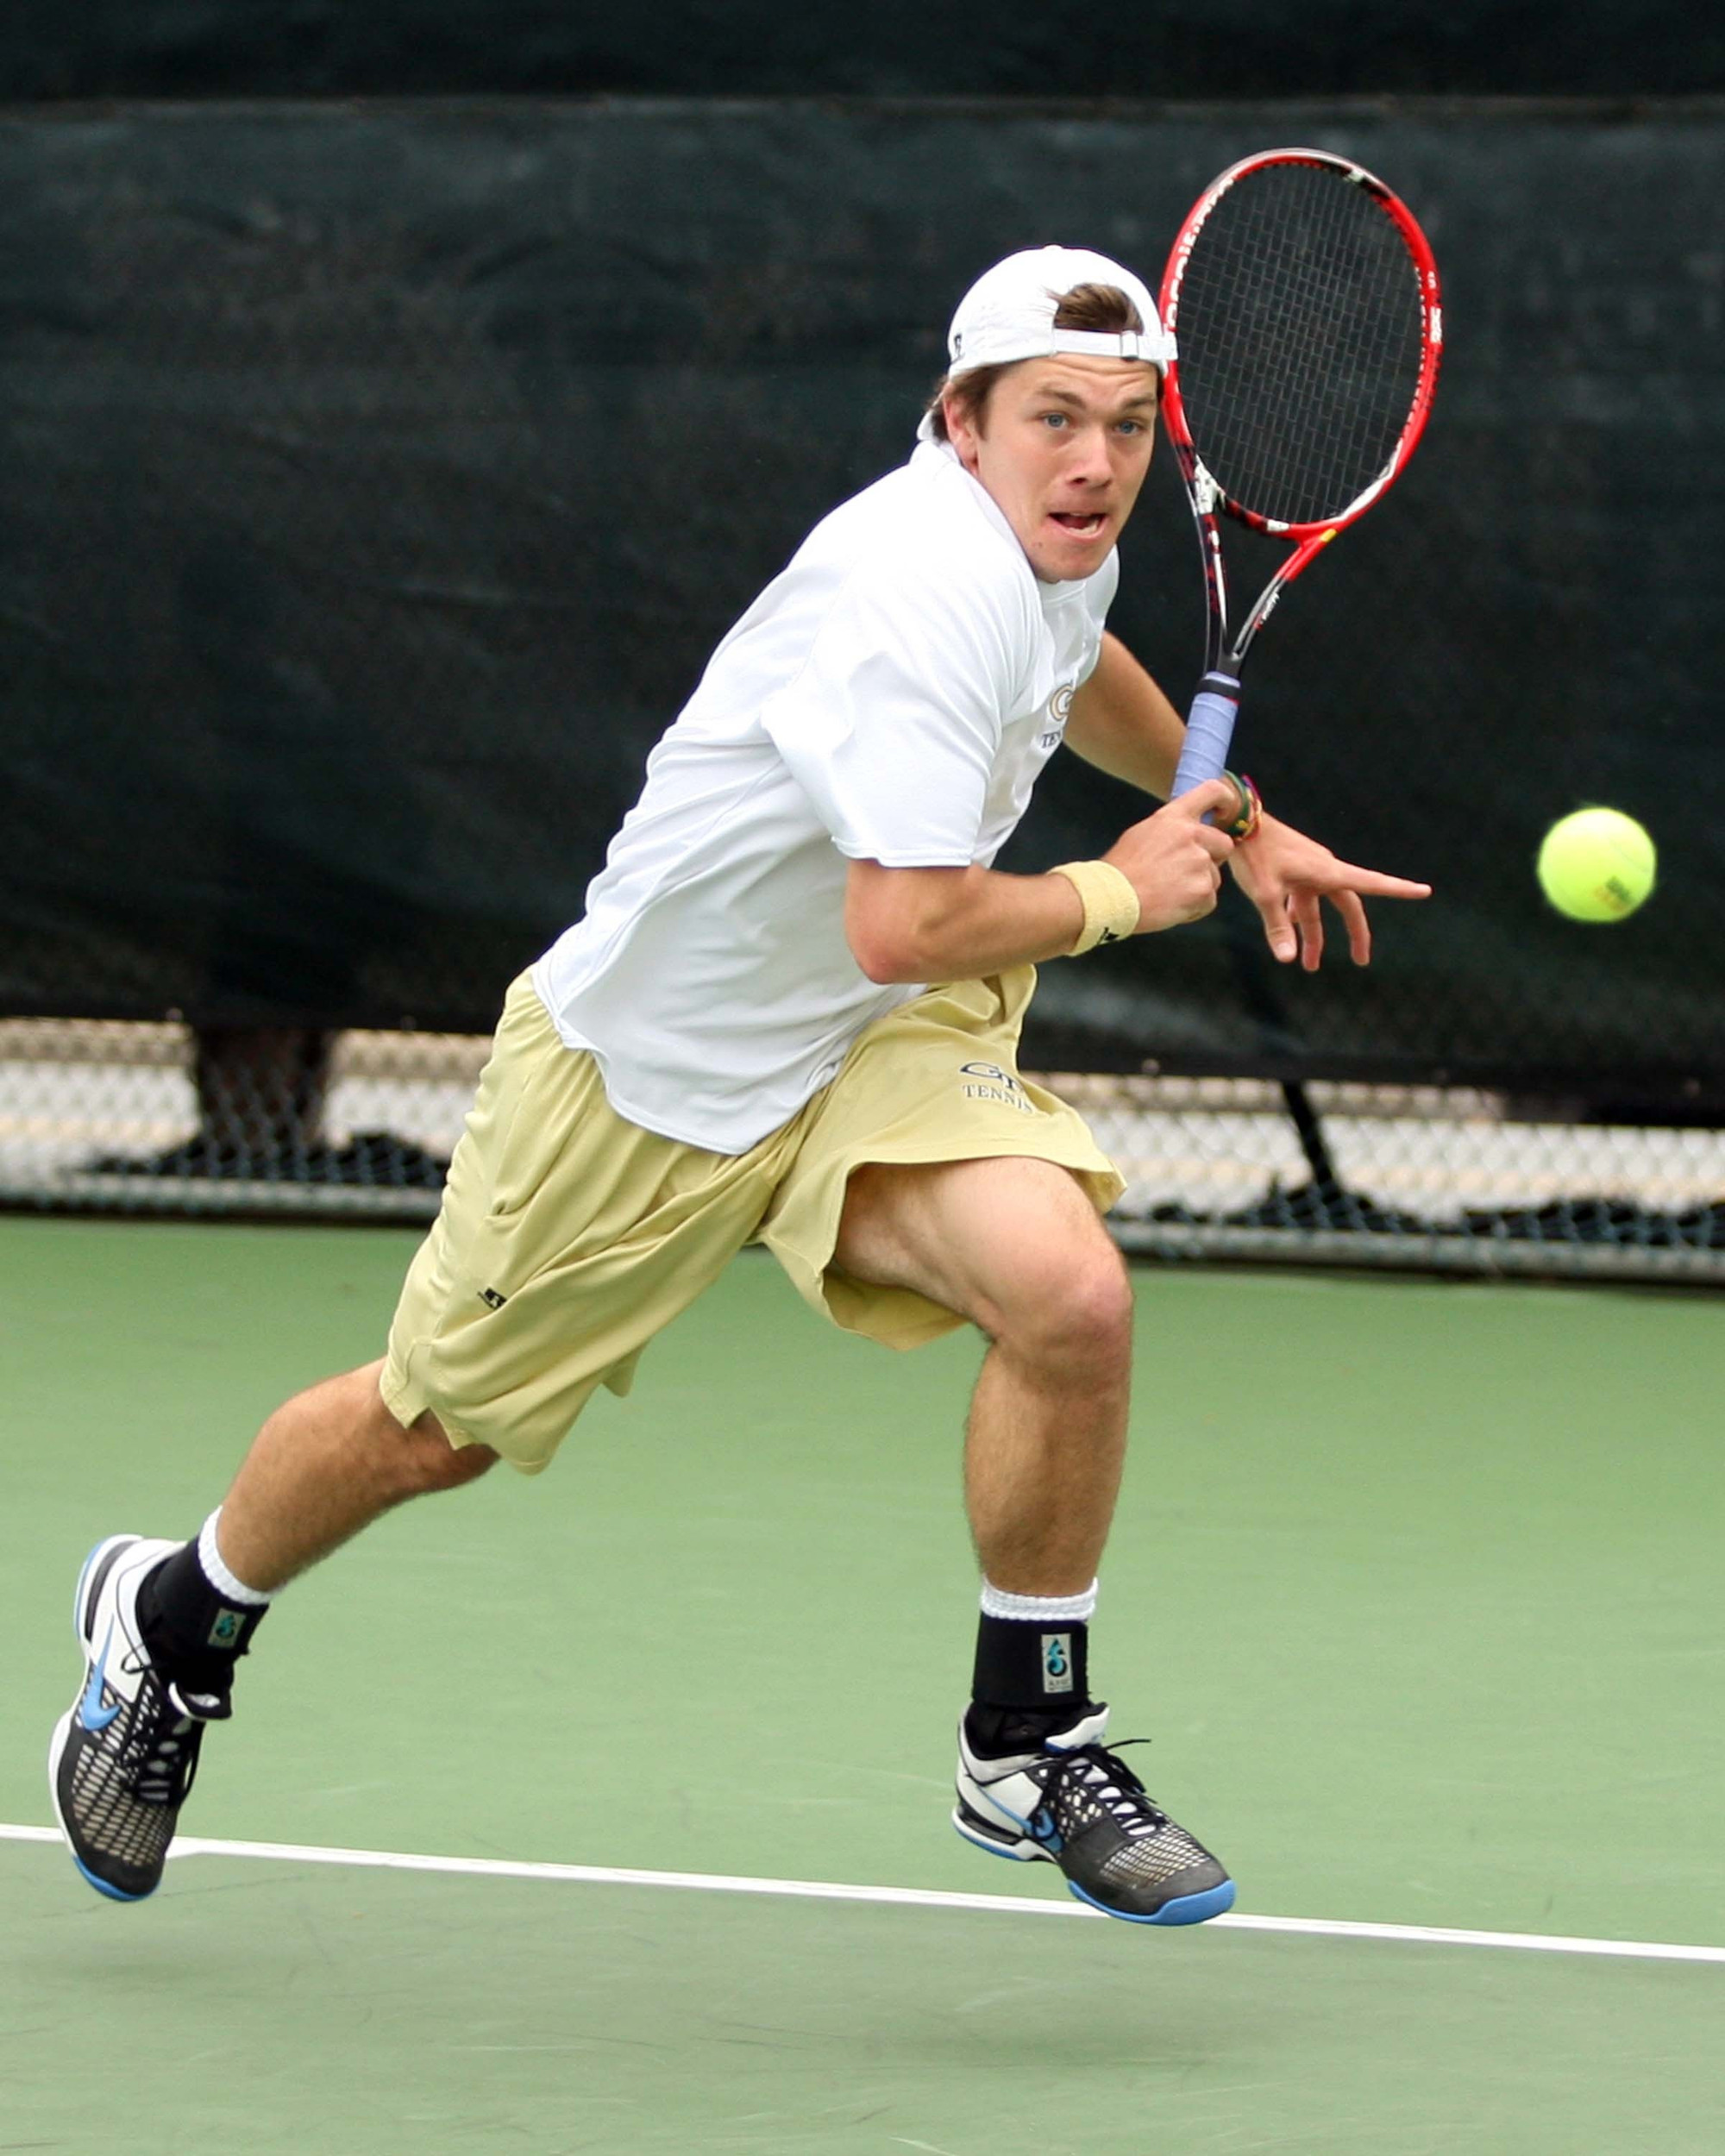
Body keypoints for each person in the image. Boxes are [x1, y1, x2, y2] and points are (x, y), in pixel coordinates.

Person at [50, 246, 1429, 1923]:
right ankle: (173, 1622)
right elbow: (902, 917)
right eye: (1053, 419)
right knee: (430, 1433)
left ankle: (1025, 1727)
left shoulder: (1047, 538)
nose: (1094, 461)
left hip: (866, 1049)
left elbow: (1082, 674)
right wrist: (1129, 887)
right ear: (959, 421)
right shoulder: (911, 591)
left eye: (1128, 426)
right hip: (654, 1073)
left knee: (1069, 1296)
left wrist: (1239, 813)